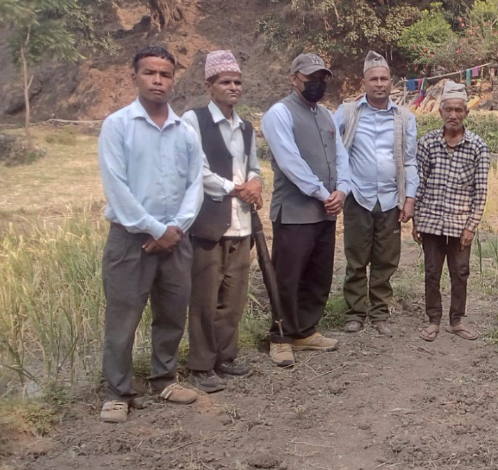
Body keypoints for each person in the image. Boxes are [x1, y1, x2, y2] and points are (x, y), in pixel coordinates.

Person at [97, 46, 204, 422]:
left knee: (172, 313)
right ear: (135, 77)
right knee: (123, 318)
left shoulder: (185, 131)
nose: (158, 80)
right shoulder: (118, 125)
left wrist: (176, 229)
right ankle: (117, 392)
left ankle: (164, 379)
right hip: (131, 239)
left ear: (173, 80)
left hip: (177, 238)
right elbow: (117, 187)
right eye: (149, 73)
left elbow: (195, 184)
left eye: (165, 74)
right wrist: (157, 229)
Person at [262, 53, 351, 366]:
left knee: (318, 274)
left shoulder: (326, 115)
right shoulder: (279, 114)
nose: (318, 83)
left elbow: (341, 156)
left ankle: (305, 331)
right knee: (288, 277)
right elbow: (291, 163)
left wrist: (343, 189)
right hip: (294, 212)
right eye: (311, 78)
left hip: (326, 211)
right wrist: (324, 193)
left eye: (322, 78)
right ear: (294, 78)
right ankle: (280, 337)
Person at [182, 51, 261, 392]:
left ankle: (225, 357)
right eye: (225, 81)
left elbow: (254, 167)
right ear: (209, 86)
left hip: (241, 224)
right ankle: (200, 366)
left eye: (237, 82)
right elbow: (195, 171)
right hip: (209, 225)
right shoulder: (193, 120)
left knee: (234, 296)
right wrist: (236, 188)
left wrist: (255, 183)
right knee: (204, 298)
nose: (233, 87)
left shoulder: (246, 127)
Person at [335, 51, 419, 335]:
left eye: (384, 78)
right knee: (356, 258)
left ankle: (379, 313)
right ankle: (355, 313)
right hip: (358, 196)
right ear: (364, 83)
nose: (379, 83)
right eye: (374, 79)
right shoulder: (347, 112)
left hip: (391, 200)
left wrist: (409, 198)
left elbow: (410, 160)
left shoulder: (404, 117)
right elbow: (332, 147)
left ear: (391, 82)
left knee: (386, 260)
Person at [413, 81, 490, 342]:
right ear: (440, 112)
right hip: (431, 221)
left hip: (460, 224)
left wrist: (471, 226)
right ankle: (433, 319)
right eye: (448, 110)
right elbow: (420, 183)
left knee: (460, 273)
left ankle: (456, 320)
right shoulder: (427, 143)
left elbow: (480, 190)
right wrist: (416, 221)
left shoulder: (478, 146)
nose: (453, 115)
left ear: (466, 112)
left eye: (458, 110)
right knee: (432, 272)